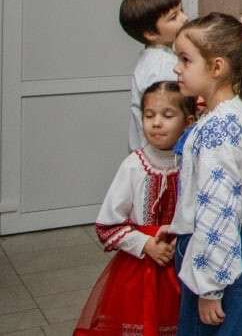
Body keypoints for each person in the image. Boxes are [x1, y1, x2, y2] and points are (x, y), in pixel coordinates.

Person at [170, 13, 242, 334]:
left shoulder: (219, 128)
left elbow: (218, 208)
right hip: (237, 245)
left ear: (217, 67)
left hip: (219, 254)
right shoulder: (231, 112)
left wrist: (210, 287)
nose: (177, 68)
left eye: (185, 60)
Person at [75, 81, 196, 336]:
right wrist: (146, 244)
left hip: (183, 268)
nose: (156, 123)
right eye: (149, 115)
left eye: (167, 115)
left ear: (188, 121)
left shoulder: (192, 165)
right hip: (139, 273)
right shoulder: (133, 166)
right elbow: (107, 226)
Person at [120, 0, 189, 151]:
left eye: (182, 10)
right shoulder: (162, 66)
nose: (184, 18)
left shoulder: (154, 57)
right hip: (160, 154)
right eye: (173, 17)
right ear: (151, 34)